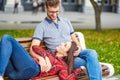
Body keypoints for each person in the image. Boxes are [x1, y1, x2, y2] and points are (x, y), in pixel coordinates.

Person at [30, 0, 102, 80]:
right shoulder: (41, 26)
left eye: (57, 11)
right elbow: (33, 48)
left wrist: (78, 46)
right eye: (51, 12)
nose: (54, 15)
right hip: (64, 58)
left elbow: (74, 37)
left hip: (73, 50)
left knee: (92, 53)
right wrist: (41, 58)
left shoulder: (66, 21)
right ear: (46, 8)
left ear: (59, 7)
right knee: (95, 65)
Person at [0, 34, 83, 80]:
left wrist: (81, 69)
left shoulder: (62, 66)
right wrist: (44, 57)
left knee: (7, 38)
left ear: (66, 54)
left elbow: (67, 79)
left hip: (32, 69)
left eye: (64, 45)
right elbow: (35, 47)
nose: (61, 44)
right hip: (14, 74)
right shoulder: (50, 53)